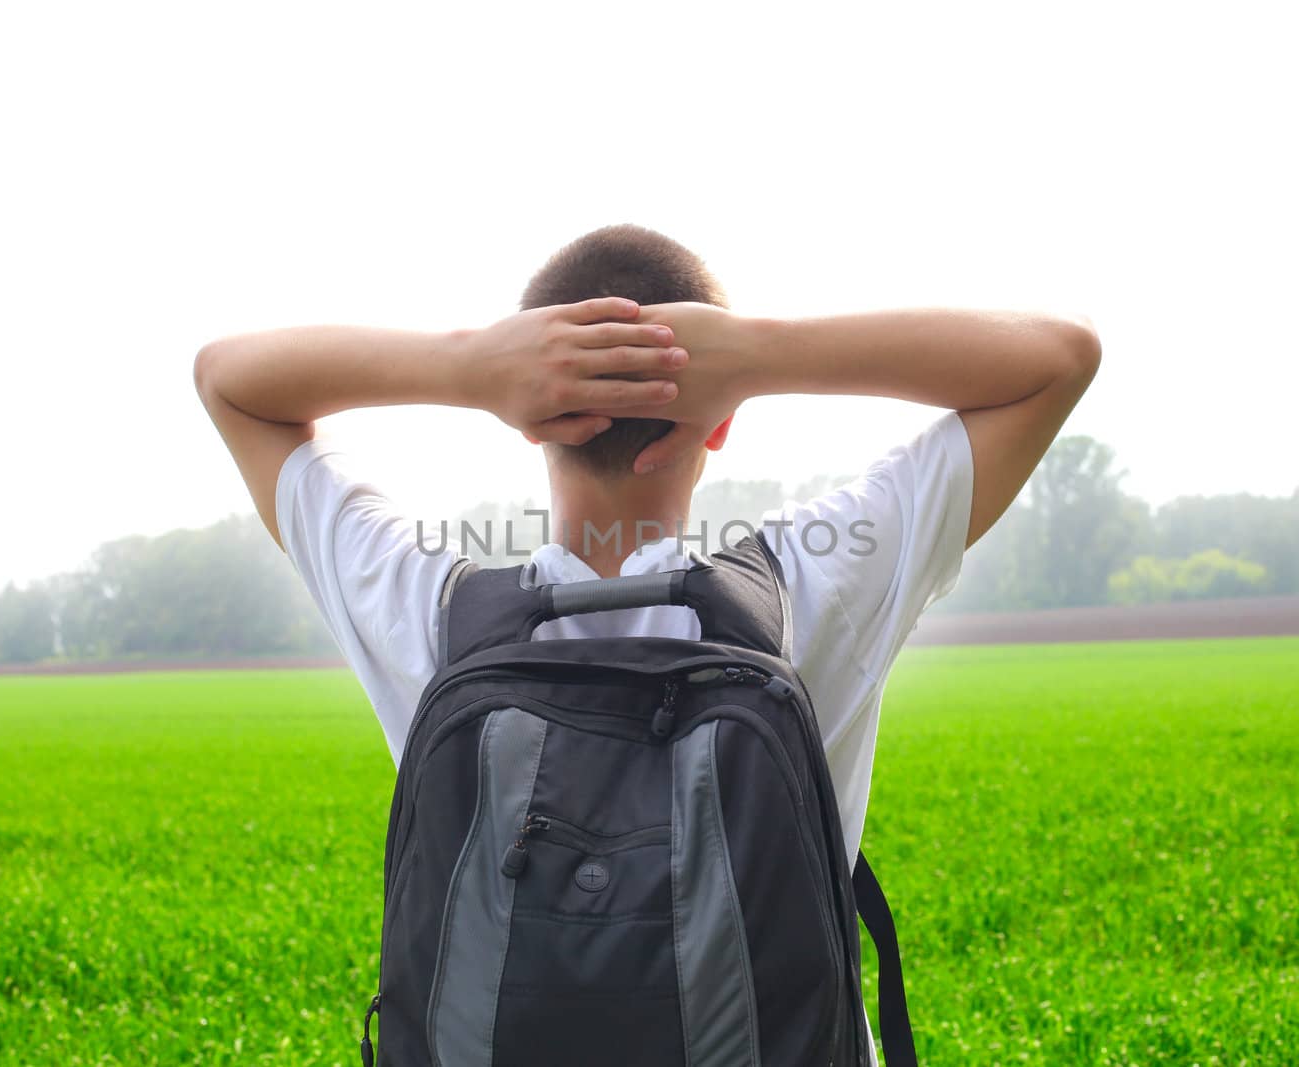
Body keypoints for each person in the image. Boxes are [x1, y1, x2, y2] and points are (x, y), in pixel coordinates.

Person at [193, 220, 1099, 993]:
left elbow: (229, 378)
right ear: (721, 422)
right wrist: (756, 352)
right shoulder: (810, 589)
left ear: (528, 415)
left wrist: (469, 365)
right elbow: (1057, 358)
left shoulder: (431, 613)